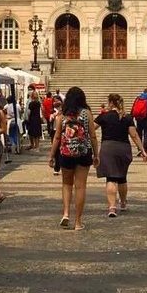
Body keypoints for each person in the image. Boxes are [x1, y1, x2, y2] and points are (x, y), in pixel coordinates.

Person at [48, 86, 98, 230]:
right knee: (80, 186)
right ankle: (78, 222)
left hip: (66, 153)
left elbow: (57, 137)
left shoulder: (63, 115)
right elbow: (93, 136)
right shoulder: (86, 113)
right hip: (83, 152)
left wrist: (51, 156)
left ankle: (65, 214)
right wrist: (96, 154)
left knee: (66, 184)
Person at [96, 93, 147, 217]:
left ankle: (112, 207)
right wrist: (142, 150)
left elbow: (92, 130)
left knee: (111, 178)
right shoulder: (127, 117)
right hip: (123, 148)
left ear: (111, 103)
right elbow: (134, 135)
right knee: (122, 177)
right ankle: (123, 202)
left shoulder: (104, 116)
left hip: (108, 148)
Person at [131, 88, 147, 153]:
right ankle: (144, 150)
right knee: (146, 135)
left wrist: (131, 118)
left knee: (139, 134)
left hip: (138, 119)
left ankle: (139, 149)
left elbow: (133, 108)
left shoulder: (137, 98)